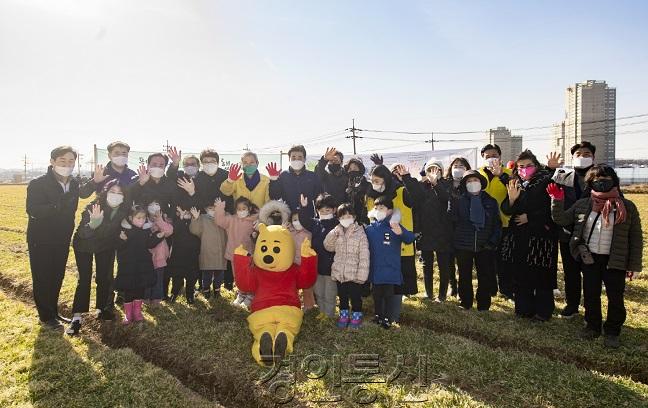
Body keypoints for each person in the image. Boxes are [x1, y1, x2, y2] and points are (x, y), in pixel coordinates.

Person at [548, 164, 643, 348]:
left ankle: (612, 331)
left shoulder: (627, 207)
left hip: (615, 259)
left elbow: (636, 238)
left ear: (614, 182)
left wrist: (634, 265)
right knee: (591, 294)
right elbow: (561, 219)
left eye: (605, 180)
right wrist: (557, 200)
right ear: (590, 183)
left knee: (615, 297)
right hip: (590, 258)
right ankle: (592, 326)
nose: (600, 184)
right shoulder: (584, 204)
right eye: (596, 181)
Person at [501, 150, 558, 321]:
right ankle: (523, 308)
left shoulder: (546, 181)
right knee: (521, 274)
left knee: (541, 275)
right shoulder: (514, 184)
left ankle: (543, 311)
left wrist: (530, 217)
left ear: (536, 166)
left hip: (541, 237)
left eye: (528, 166)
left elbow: (553, 208)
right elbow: (506, 209)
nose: (524, 169)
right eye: (520, 167)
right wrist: (511, 200)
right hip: (519, 236)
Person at [26, 146, 79, 329]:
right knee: (43, 277)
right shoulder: (38, 184)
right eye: (62, 161)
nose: (67, 165)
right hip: (41, 239)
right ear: (52, 162)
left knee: (57, 275)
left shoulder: (73, 184)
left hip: (62, 238)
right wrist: (57, 206)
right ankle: (46, 317)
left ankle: (53, 312)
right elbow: (33, 210)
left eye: (71, 161)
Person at [67, 181, 128, 335]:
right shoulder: (93, 207)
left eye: (119, 193)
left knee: (104, 277)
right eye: (112, 191)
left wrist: (121, 239)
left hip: (105, 246)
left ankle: (102, 309)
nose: (116, 195)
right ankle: (77, 318)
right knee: (85, 279)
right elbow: (82, 233)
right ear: (105, 192)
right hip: (84, 246)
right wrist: (93, 224)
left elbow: (115, 237)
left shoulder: (123, 212)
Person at [551, 141, 597, 318]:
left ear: (593, 157)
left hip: (592, 232)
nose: (582, 157)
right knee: (571, 272)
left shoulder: (599, 175)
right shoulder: (563, 175)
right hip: (567, 232)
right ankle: (572, 304)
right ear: (572, 158)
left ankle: (591, 309)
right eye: (578, 154)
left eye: (586, 154)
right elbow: (550, 191)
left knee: (591, 273)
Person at [370, 163, 416, 324]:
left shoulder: (402, 191)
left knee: (395, 288)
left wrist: (400, 232)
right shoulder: (371, 198)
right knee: (378, 290)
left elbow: (418, 198)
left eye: (378, 180)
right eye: (372, 180)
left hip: (398, 252)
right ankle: (379, 315)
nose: (375, 184)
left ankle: (392, 316)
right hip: (378, 259)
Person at [403, 160, 454, 301]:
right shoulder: (422, 187)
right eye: (430, 169)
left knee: (443, 265)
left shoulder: (446, 185)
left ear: (441, 172)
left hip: (443, 232)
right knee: (427, 264)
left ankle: (442, 295)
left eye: (436, 169)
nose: (433, 172)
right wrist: (407, 178)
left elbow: (446, 199)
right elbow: (413, 199)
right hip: (426, 231)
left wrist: (436, 184)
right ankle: (429, 293)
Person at [452, 170, 501, 311]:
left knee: (484, 275)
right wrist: (456, 240)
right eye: (468, 181)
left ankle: (484, 304)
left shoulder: (490, 201)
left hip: (484, 245)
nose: (472, 183)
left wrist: (492, 242)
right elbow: (453, 222)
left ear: (481, 182)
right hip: (463, 245)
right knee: (464, 275)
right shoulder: (459, 201)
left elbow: (496, 224)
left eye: (475, 180)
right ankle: (465, 302)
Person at [365, 196, 415, 329]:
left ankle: (387, 318)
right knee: (376, 295)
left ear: (390, 211)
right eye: (376, 208)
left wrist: (401, 233)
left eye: (382, 208)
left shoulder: (395, 226)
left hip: (390, 270)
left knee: (388, 295)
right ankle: (378, 316)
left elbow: (410, 238)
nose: (378, 211)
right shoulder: (370, 228)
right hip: (375, 270)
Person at [115, 206, 164, 324]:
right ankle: (128, 314)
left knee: (140, 289)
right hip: (128, 266)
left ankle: (137, 312)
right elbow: (119, 247)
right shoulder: (125, 230)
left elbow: (149, 244)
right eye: (139, 218)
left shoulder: (145, 231)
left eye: (144, 218)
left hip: (143, 265)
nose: (142, 221)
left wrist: (157, 237)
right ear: (131, 218)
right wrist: (122, 240)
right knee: (129, 290)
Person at [324, 204, 370, 329]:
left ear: (354, 217)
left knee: (355, 296)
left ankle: (356, 314)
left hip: (354, 273)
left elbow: (364, 255)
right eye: (343, 216)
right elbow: (327, 246)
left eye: (349, 216)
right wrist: (334, 233)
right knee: (342, 296)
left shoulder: (360, 233)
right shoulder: (337, 231)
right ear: (338, 218)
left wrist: (362, 274)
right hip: (340, 272)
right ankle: (343, 314)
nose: (346, 218)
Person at [478, 144, 513, 299]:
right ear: (483, 158)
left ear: (500, 156)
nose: (491, 158)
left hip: (505, 222)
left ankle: (506, 289)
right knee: (487, 258)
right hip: (485, 225)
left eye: (494, 155)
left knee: (504, 259)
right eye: (487, 156)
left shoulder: (509, 173)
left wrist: (501, 175)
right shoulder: (478, 174)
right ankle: (491, 288)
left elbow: (515, 192)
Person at [298, 193, 338, 318]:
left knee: (330, 294)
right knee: (319, 292)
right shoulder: (316, 224)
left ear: (334, 210)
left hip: (332, 267)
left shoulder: (338, 224)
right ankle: (322, 312)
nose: (325, 213)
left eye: (328, 210)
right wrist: (304, 207)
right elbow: (304, 220)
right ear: (317, 211)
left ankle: (329, 315)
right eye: (321, 210)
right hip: (317, 266)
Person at [215, 197, 259, 309]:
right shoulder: (231, 219)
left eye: (243, 208)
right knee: (238, 275)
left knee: (250, 275)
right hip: (235, 255)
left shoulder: (255, 220)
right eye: (239, 209)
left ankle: (250, 295)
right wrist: (220, 207)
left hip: (249, 255)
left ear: (249, 208)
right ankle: (241, 293)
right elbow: (219, 221)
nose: (241, 211)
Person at [269, 145, 323, 219]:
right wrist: (274, 180)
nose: (296, 160)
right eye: (293, 157)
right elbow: (274, 196)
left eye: (300, 157)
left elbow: (319, 198)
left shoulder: (312, 176)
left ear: (304, 159)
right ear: (289, 159)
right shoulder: (283, 175)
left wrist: (319, 216)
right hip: (288, 218)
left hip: (309, 217)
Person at [189, 202, 228, 299]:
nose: (213, 210)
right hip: (207, 250)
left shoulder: (223, 217)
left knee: (219, 273)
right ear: (206, 209)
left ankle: (217, 290)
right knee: (207, 273)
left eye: (215, 208)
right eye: (211, 208)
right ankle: (206, 290)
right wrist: (196, 219)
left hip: (220, 251)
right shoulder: (202, 218)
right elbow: (195, 230)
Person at [130, 149, 181, 219]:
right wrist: (141, 183)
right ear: (148, 165)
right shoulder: (138, 179)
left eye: (161, 165)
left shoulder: (170, 184)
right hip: (141, 221)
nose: (157, 167)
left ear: (165, 167)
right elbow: (129, 196)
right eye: (154, 164)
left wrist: (169, 219)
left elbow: (174, 205)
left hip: (163, 222)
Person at [167, 206, 201, 304]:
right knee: (177, 277)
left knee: (191, 278)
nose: (187, 214)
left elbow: (198, 232)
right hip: (178, 256)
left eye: (188, 213)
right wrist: (181, 218)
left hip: (192, 256)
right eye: (184, 212)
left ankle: (190, 295)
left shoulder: (195, 222)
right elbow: (175, 231)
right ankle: (174, 293)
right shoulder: (178, 222)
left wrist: (195, 219)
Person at [143, 200, 174, 304]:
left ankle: (156, 298)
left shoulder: (163, 221)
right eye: (151, 206)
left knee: (158, 279)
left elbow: (169, 231)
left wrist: (160, 220)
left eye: (156, 206)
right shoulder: (144, 220)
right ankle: (146, 297)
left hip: (160, 256)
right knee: (147, 278)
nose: (154, 209)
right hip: (147, 257)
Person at [288, 210, 315, 310]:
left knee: (307, 287)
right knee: (293, 287)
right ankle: (294, 305)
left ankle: (309, 306)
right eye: (294, 220)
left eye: (300, 219)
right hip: (293, 264)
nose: (297, 222)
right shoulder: (289, 232)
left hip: (305, 264)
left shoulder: (309, 233)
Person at [344, 157, 370, 225]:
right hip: (349, 221)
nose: (352, 171)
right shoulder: (346, 185)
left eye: (355, 168)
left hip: (364, 221)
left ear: (360, 170)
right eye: (350, 169)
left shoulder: (367, 185)